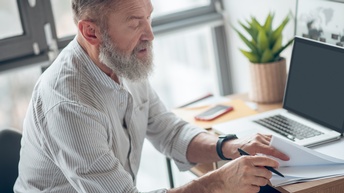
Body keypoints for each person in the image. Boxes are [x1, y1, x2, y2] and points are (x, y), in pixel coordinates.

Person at [14, 0, 289, 192]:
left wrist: (228, 146)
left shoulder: (122, 60)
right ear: (91, 31)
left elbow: (167, 130)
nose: (150, 34)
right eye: (135, 24)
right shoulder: (68, 104)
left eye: (149, 17)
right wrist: (216, 183)